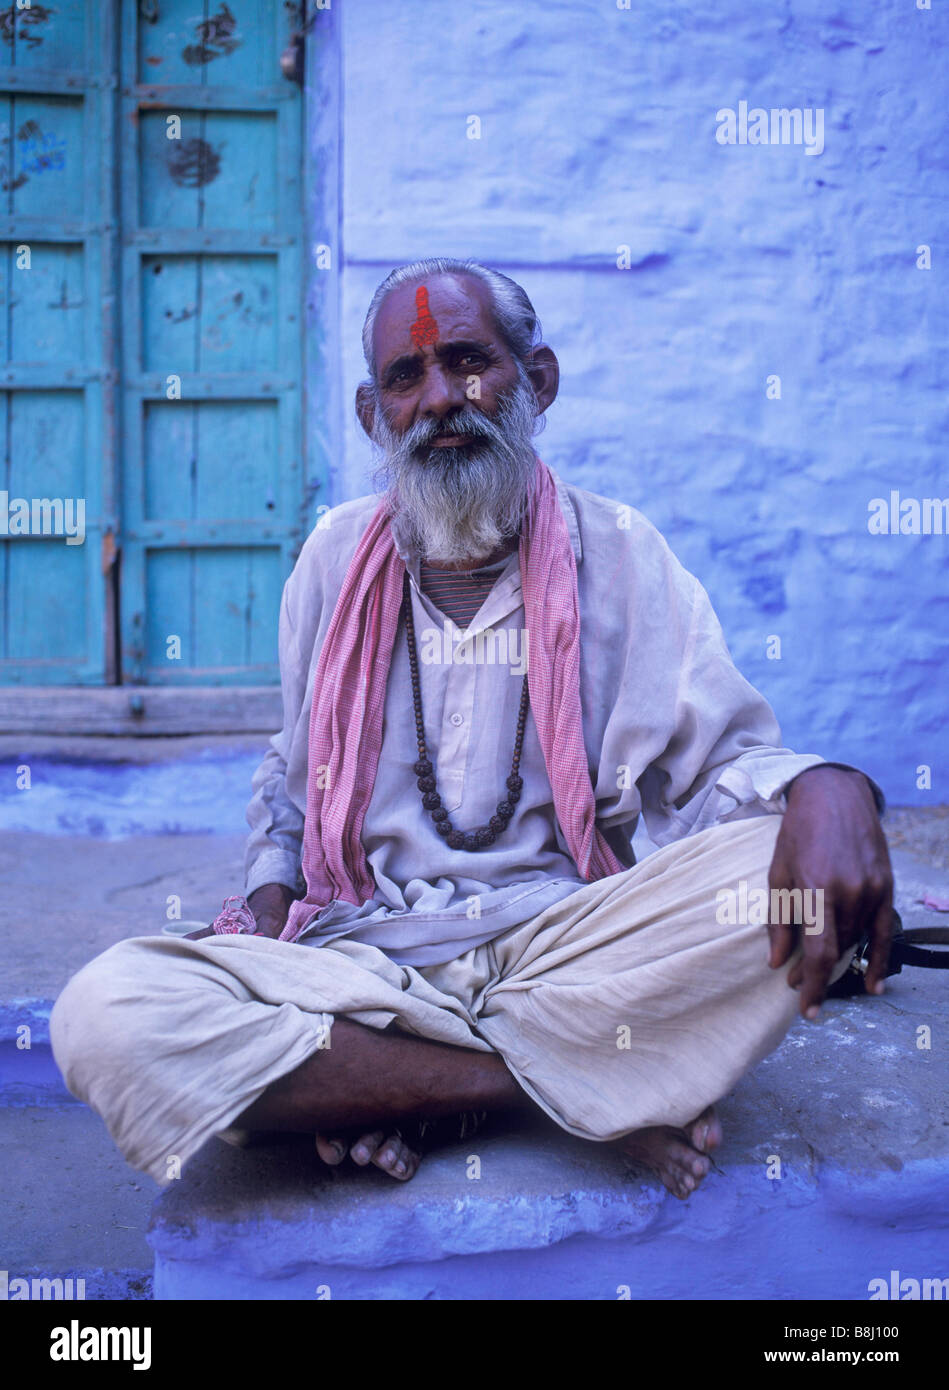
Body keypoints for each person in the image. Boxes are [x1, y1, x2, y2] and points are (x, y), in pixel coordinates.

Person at [50, 258, 893, 1201]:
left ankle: (377, 1088)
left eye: (468, 362)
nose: (444, 397)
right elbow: (293, 774)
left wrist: (829, 789)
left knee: (775, 880)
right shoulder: (332, 558)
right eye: (406, 378)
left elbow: (721, 771)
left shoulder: (618, 552)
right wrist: (274, 894)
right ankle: (549, 1094)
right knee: (106, 1014)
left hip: (568, 945)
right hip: (364, 956)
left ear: (536, 381)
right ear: (376, 416)